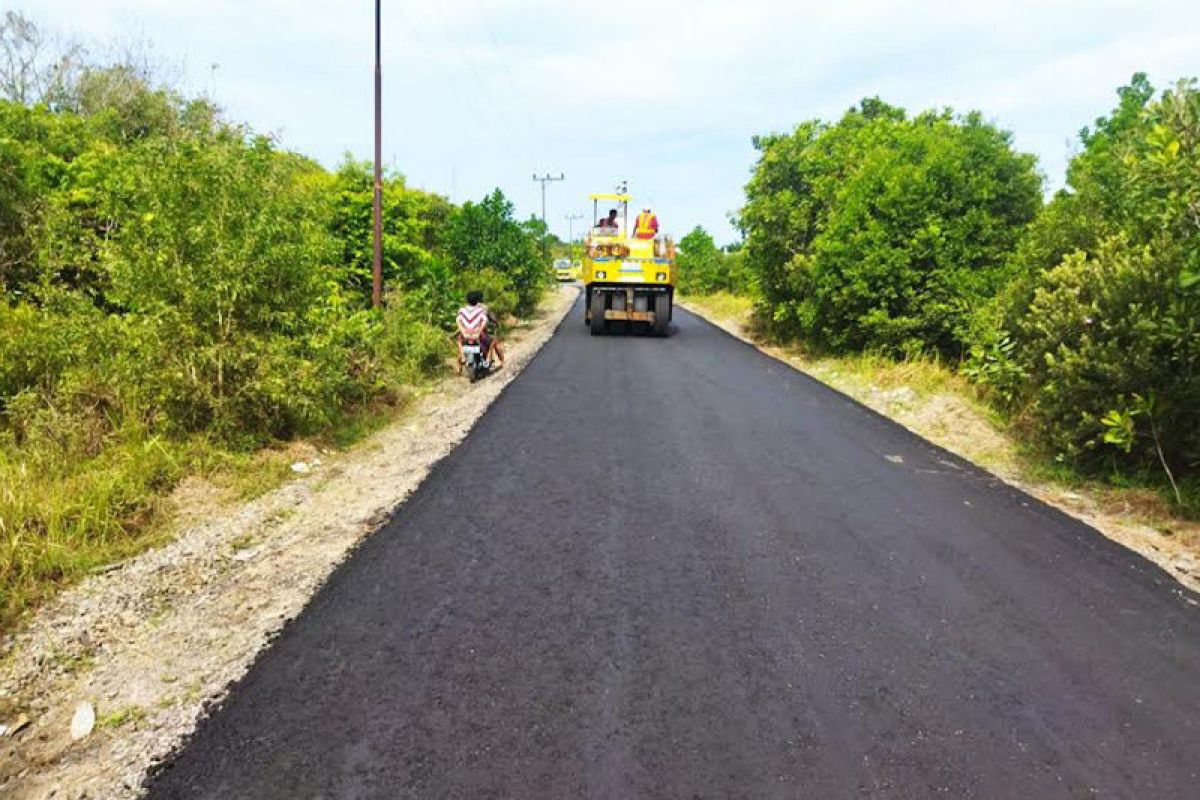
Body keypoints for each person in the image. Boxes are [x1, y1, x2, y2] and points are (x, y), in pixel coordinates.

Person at [456, 290, 504, 372]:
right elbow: (489, 320)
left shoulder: (463, 309)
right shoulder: (484, 308)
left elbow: (459, 320)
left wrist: (462, 329)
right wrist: (496, 323)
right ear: (480, 298)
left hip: (466, 334)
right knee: (493, 341)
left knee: (460, 342)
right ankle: (497, 361)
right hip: (479, 334)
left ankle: (459, 367)